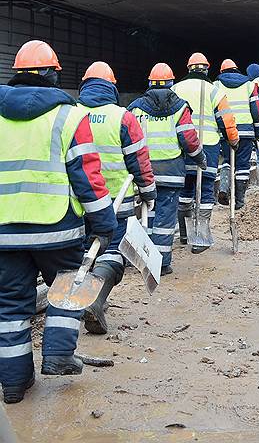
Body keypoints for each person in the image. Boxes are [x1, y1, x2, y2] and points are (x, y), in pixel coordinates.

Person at [0, 40, 116, 403]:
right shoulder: (70, 116)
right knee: (67, 289)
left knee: (9, 307)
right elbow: (87, 177)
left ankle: (15, 384)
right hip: (57, 228)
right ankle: (59, 355)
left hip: (5, 233)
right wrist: (104, 221)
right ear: (53, 75)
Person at [76, 62, 156, 334]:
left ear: (84, 85)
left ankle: (76, 299)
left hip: (77, 201)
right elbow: (139, 161)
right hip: (115, 202)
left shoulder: (71, 114)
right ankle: (96, 299)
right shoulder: (123, 118)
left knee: (82, 250)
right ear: (112, 86)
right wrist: (148, 191)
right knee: (112, 253)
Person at [128, 63, 206, 276]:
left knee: (147, 215)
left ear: (150, 83)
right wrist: (200, 157)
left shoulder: (135, 108)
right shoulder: (180, 107)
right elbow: (189, 139)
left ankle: (143, 258)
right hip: (171, 172)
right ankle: (161, 264)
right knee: (165, 220)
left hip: (144, 172)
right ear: (171, 83)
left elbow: (126, 138)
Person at [171, 52, 238, 253]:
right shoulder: (214, 90)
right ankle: (200, 236)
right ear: (206, 69)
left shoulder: (175, 89)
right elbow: (226, 120)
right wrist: (233, 140)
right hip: (207, 147)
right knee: (206, 189)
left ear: (189, 69)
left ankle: (184, 232)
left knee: (185, 189)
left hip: (182, 146)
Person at [213, 60, 259, 210]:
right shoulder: (249, 85)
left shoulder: (216, 85)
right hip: (246, 133)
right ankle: (239, 201)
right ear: (237, 69)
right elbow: (257, 112)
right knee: (242, 165)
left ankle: (223, 188)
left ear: (222, 72)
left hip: (226, 132)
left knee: (228, 160)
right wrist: (258, 133)